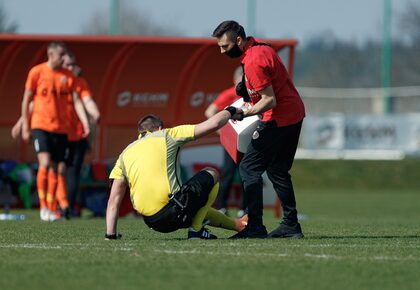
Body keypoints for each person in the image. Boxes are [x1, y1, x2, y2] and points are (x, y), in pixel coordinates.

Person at [212, 20, 306, 239]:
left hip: (278, 118)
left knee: (248, 168)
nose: (222, 51)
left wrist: (243, 112)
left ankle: (254, 226)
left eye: (225, 46)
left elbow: (270, 100)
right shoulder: (260, 47)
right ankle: (291, 225)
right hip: (294, 114)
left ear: (238, 40)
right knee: (278, 170)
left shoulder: (253, 60)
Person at [105, 109, 248, 240]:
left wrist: (110, 235)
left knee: (196, 207)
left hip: (152, 222)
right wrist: (231, 111)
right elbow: (214, 123)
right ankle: (196, 231)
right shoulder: (167, 135)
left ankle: (238, 225)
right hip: (175, 212)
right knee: (212, 173)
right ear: (160, 128)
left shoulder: (124, 154)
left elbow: (113, 201)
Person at [20, 41, 90, 221]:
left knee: (56, 168)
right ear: (51, 55)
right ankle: (43, 206)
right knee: (44, 162)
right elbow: (27, 99)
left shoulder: (68, 76)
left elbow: (76, 101)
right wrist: (25, 125)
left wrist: (85, 122)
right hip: (40, 125)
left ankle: (51, 207)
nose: (64, 59)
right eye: (61, 55)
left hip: (61, 129)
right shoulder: (37, 72)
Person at [61, 52, 100, 218]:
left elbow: (87, 102)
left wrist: (94, 114)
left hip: (77, 136)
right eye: (67, 64)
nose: (70, 67)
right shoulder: (51, 78)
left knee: (72, 172)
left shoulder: (79, 82)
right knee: (57, 169)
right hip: (58, 133)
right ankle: (53, 206)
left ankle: (67, 208)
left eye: (72, 64)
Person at [204, 66, 247, 217]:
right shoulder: (229, 94)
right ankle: (222, 207)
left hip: (247, 140)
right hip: (232, 141)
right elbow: (210, 111)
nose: (245, 81)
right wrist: (222, 132)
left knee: (247, 173)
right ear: (235, 79)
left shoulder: (251, 95)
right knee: (228, 173)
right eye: (242, 78)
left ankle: (244, 208)